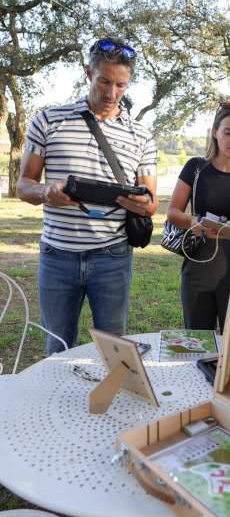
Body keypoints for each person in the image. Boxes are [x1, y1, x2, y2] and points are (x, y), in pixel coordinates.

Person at [17, 37, 159, 355]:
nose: (111, 94)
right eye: (104, 81)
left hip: (112, 257)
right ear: (87, 73)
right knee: (58, 347)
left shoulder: (141, 135)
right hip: (57, 257)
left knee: (114, 351)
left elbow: (151, 202)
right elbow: (23, 185)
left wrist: (143, 204)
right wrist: (45, 191)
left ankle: (111, 404)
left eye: (121, 85)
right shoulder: (48, 120)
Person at [167, 102, 230, 333]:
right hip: (199, 267)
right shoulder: (196, 168)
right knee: (198, 343)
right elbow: (172, 213)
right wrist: (194, 223)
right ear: (215, 132)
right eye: (228, 132)